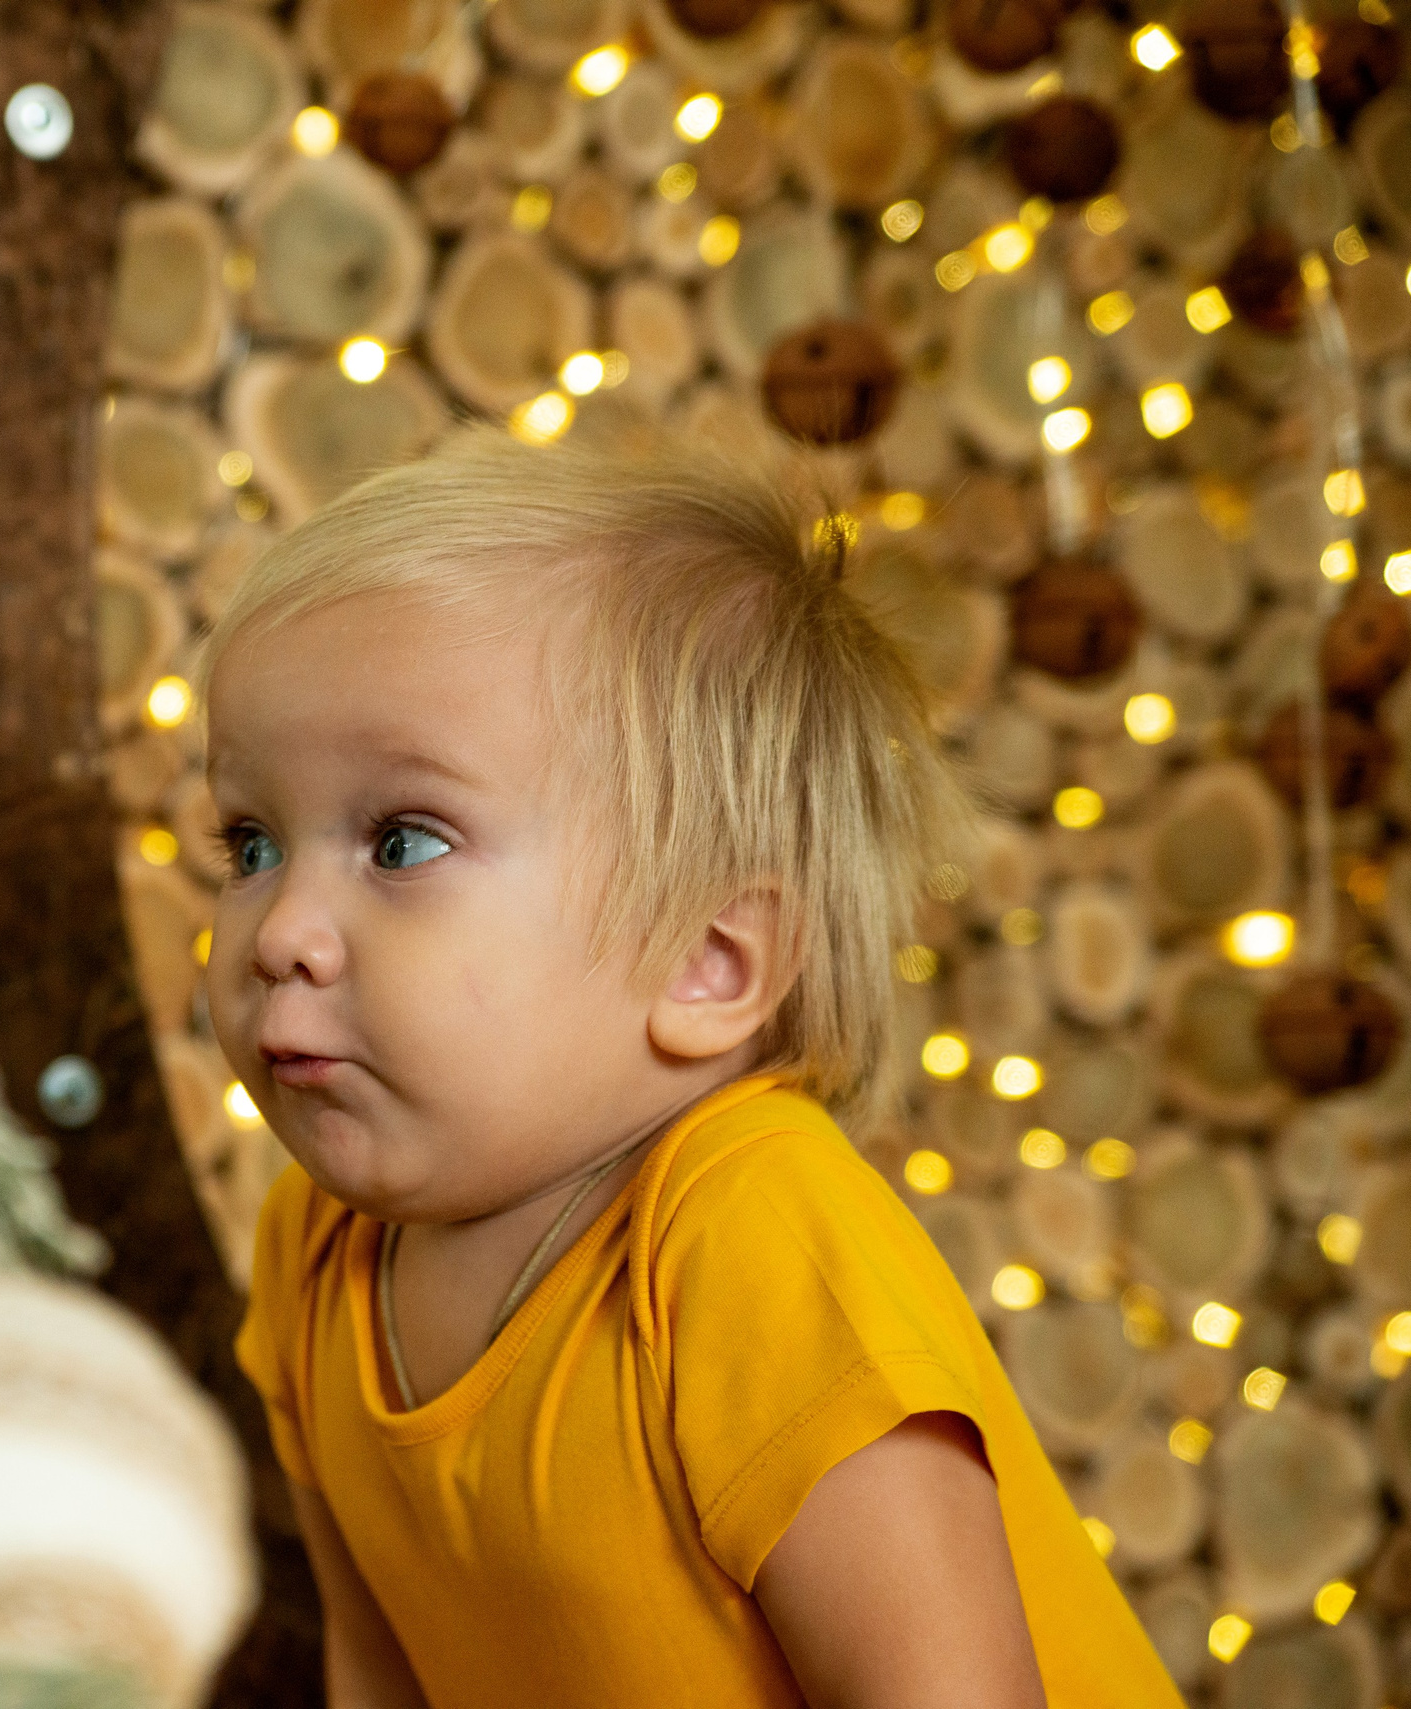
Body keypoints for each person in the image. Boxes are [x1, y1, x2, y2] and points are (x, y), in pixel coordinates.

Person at [205, 425, 1183, 1708]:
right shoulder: (313, 1246)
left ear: (705, 963)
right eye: (249, 841)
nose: (278, 930)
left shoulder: (749, 1239)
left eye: (401, 841)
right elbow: (382, 1669)